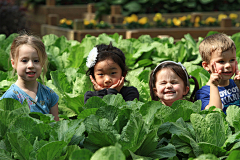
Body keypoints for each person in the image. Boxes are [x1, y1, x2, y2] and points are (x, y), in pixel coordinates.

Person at [0, 33, 59, 121]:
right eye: (24, 60)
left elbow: (57, 127)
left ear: (42, 63)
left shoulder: (50, 95)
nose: (31, 65)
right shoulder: (10, 98)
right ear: (13, 63)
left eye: (36, 60)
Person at [196, 33, 240, 114]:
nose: (228, 65)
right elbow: (214, 114)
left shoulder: (236, 83)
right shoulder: (203, 93)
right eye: (221, 61)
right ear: (206, 66)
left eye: (232, 60)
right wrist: (214, 86)